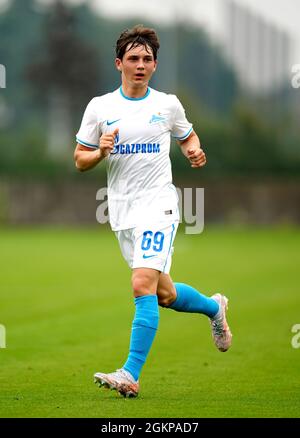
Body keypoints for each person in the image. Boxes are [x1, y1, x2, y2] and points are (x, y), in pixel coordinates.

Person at [74, 24, 232, 398]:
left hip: (159, 207)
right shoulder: (100, 107)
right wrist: (100, 151)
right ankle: (214, 307)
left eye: (147, 59)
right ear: (119, 63)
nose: (140, 65)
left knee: (140, 285)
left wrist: (194, 149)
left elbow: (187, 135)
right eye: (133, 58)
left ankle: (130, 373)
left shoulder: (167, 104)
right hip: (121, 213)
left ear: (155, 65)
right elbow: (80, 160)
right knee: (164, 294)